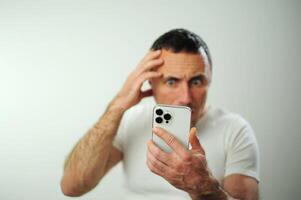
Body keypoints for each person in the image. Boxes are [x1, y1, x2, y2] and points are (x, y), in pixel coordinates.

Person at [60, 29, 260, 200]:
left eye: (196, 81)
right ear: (150, 83)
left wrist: (202, 186)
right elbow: (73, 186)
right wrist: (118, 104)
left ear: (209, 80)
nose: (185, 97)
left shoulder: (235, 129)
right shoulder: (130, 120)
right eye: (171, 82)